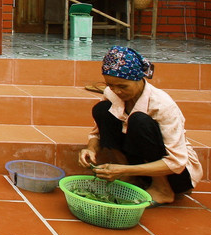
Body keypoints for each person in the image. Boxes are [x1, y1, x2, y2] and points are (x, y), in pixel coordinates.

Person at [78, 46, 203, 206]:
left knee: (139, 121)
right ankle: (131, 178)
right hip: (138, 166)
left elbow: (177, 163)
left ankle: (162, 189)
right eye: (110, 85)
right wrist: (91, 149)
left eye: (123, 86)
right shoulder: (111, 93)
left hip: (175, 176)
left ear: (139, 79)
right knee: (102, 110)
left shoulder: (162, 105)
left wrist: (124, 170)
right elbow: (98, 133)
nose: (116, 91)